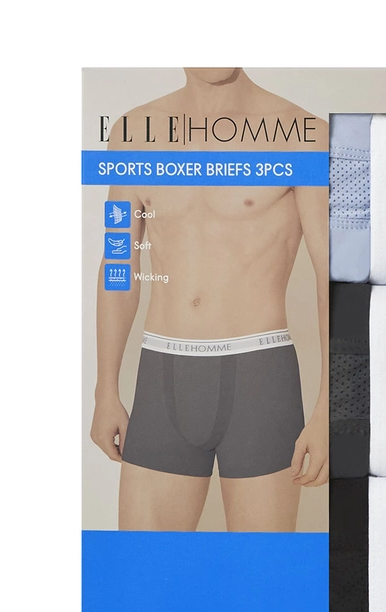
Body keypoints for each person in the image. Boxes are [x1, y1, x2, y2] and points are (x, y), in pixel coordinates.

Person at [90, 68, 329, 532]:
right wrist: (105, 390)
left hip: (261, 379)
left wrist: (329, 409)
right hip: (161, 376)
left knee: (259, 574)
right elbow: (118, 263)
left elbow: (331, 277)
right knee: (144, 572)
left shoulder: (303, 135)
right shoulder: (133, 133)